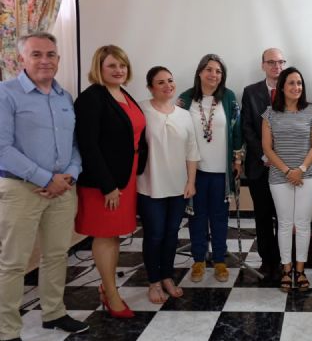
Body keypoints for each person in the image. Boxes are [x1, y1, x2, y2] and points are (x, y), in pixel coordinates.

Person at [0, 31, 89, 340]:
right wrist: (44, 178)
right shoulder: (5, 93)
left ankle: (53, 313)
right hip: (20, 190)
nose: (44, 60)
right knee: (13, 263)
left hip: (62, 189)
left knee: (56, 255)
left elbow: (75, 145)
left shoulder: (64, 97)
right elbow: (2, 148)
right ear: (21, 59)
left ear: (58, 60)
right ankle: (7, 330)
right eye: (36, 54)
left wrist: (70, 174)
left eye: (50, 54)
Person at [74, 45, 147, 318]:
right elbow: (88, 145)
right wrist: (108, 185)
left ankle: (109, 287)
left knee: (114, 235)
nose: (118, 70)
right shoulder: (92, 98)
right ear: (99, 68)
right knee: (105, 235)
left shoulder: (122, 94)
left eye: (122, 66)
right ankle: (111, 293)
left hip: (125, 176)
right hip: (105, 183)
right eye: (112, 66)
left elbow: (135, 135)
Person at [178, 54, 243, 283]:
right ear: (199, 72)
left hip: (221, 172)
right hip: (194, 171)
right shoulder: (185, 99)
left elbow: (237, 130)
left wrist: (237, 160)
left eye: (218, 71)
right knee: (196, 216)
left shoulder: (229, 97)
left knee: (219, 217)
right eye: (209, 70)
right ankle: (197, 260)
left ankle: (219, 261)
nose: (214, 75)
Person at [138, 66, 199, 303]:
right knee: (154, 234)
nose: (168, 86)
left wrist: (191, 181)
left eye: (170, 81)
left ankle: (167, 276)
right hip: (149, 185)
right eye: (160, 82)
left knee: (172, 233)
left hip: (178, 185)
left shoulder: (184, 115)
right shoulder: (141, 110)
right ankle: (153, 281)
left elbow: (192, 150)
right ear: (151, 87)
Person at [262, 67, 312, 292]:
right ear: (282, 87)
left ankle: (300, 269)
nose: (296, 87)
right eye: (291, 83)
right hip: (279, 176)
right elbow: (267, 147)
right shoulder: (269, 114)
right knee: (285, 224)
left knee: (303, 224)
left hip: (308, 176)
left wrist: (302, 169)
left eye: (299, 83)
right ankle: (286, 270)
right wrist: (288, 171)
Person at [241, 48, 285, 281]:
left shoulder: (292, 88)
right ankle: (267, 262)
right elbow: (247, 127)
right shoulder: (250, 92)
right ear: (263, 65)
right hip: (260, 166)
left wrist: (281, 159)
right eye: (271, 62)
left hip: (285, 168)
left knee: (284, 217)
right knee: (263, 216)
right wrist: (264, 155)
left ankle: (283, 261)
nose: (276, 67)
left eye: (280, 62)